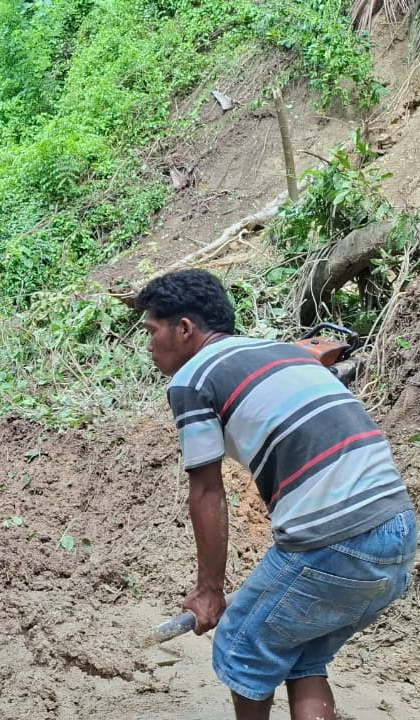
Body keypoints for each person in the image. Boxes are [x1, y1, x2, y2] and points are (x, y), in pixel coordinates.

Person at [137, 269, 416, 720]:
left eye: (152, 331)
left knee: (240, 646)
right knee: (298, 654)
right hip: (397, 529)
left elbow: (207, 490)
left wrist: (209, 591)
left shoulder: (193, 379)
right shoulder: (287, 353)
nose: (149, 346)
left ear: (183, 328)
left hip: (333, 539)